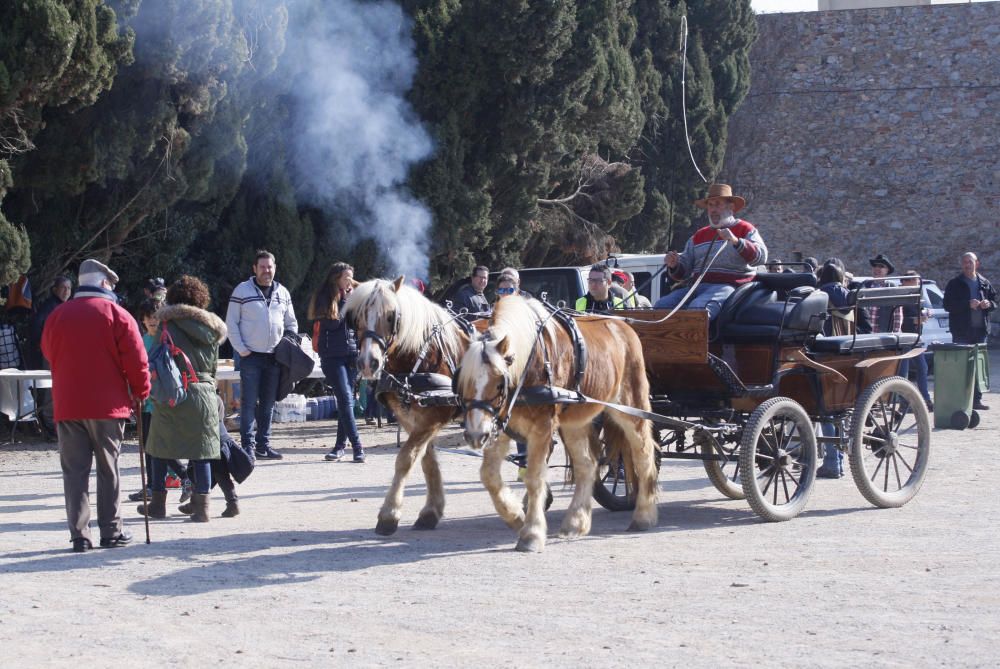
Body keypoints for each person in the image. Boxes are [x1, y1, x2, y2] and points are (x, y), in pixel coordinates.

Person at [41, 258, 150, 552]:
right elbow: (137, 362)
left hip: (68, 405)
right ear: (104, 283)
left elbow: (48, 352)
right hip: (108, 406)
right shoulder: (118, 314)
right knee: (108, 468)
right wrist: (142, 392)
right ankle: (111, 532)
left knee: (74, 472)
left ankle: (79, 535)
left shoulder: (57, 316)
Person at [142, 276, 227, 522]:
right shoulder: (212, 329)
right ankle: (202, 509)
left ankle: (157, 505)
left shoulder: (166, 325)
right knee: (201, 453)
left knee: (159, 447)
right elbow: (212, 369)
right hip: (204, 392)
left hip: (173, 393)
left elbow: (156, 360)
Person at [653, 184, 767, 320]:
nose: (713, 209)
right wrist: (675, 264)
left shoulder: (745, 229)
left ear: (731, 207)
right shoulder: (699, 235)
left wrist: (736, 241)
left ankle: (692, 340)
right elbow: (684, 271)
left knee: (698, 309)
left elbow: (761, 257)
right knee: (661, 305)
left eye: (718, 204)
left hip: (730, 287)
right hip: (698, 287)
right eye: (710, 205)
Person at [226, 250, 298, 460]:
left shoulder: (283, 293)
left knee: (268, 404)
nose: (267, 271)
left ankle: (263, 446)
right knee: (248, 404)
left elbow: (291, 322)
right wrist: (241, 349)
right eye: (263, 267)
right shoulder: (242, 291)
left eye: (270, 267)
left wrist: (289, 343)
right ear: (254, 269)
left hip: (274, 357)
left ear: (275, 268)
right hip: (250, 357)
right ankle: (247, 447)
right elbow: (231, 322)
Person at [128, 298, 190, 504]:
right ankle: (152, 486)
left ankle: (184, 476)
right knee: (148, 445)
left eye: (155, 316)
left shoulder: (168, 338)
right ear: (143, 320)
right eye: (147, 317)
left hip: (163, 401)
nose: (151, 320)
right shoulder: (141, 340)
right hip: (146, 401)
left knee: (159, 446)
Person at [308, 262, 365, 463]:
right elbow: (332, 324)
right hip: (332, 356)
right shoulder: (325, 297)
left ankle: (339, 447)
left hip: (350, 355)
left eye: (351, 277)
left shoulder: (351, 296)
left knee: (346, 401)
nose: (350, 282)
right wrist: (345, 303)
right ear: (336, 279)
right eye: (346, 278)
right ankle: (358, 447)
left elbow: (357, 326)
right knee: (345, 399)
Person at [943, 252, 996, 411]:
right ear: (962, 265)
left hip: (980, 331)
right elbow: (947, 305)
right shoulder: (955, 283)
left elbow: (995, 301)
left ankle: (976, 400)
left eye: (970, 262)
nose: (967, 265)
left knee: (978, 367)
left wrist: (989, 304)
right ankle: (961, 401)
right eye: (965, 262)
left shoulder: (984, 283)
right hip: (961, 332)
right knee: (961, 367)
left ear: (977, 264)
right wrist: (967, 304)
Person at [27, 275, 72, 437]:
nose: (67, 291)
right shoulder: (51, 307)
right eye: (63, 288)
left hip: (59, 353)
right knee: (49, 387)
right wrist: (43, 346)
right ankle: (49, 423)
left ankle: (53, 422)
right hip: (49, 353)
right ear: (55, 290)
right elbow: (38, 327)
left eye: (69, 288)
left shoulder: (61, 306)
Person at [898, 271, 933, 410]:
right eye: (913, 280)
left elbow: (925, 309)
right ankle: (904, 402)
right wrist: (914, 319)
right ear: (905, 282)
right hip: (904, 338)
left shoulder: (917, 295)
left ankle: (925, 399)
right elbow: (897, 318)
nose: (917, 283)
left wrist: (926, 313)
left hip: (916, 338)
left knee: (922, 367)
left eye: (917, 281)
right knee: (903, 371)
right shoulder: (900, 296)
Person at [861, 254, 902, 334]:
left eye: (881, 266)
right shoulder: (864, 286)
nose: (877, 268)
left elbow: (898, 315)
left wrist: (896, 334)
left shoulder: (892, 288)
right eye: (875, 266)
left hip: (884, 337)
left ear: (887, 270)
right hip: (865, 335)